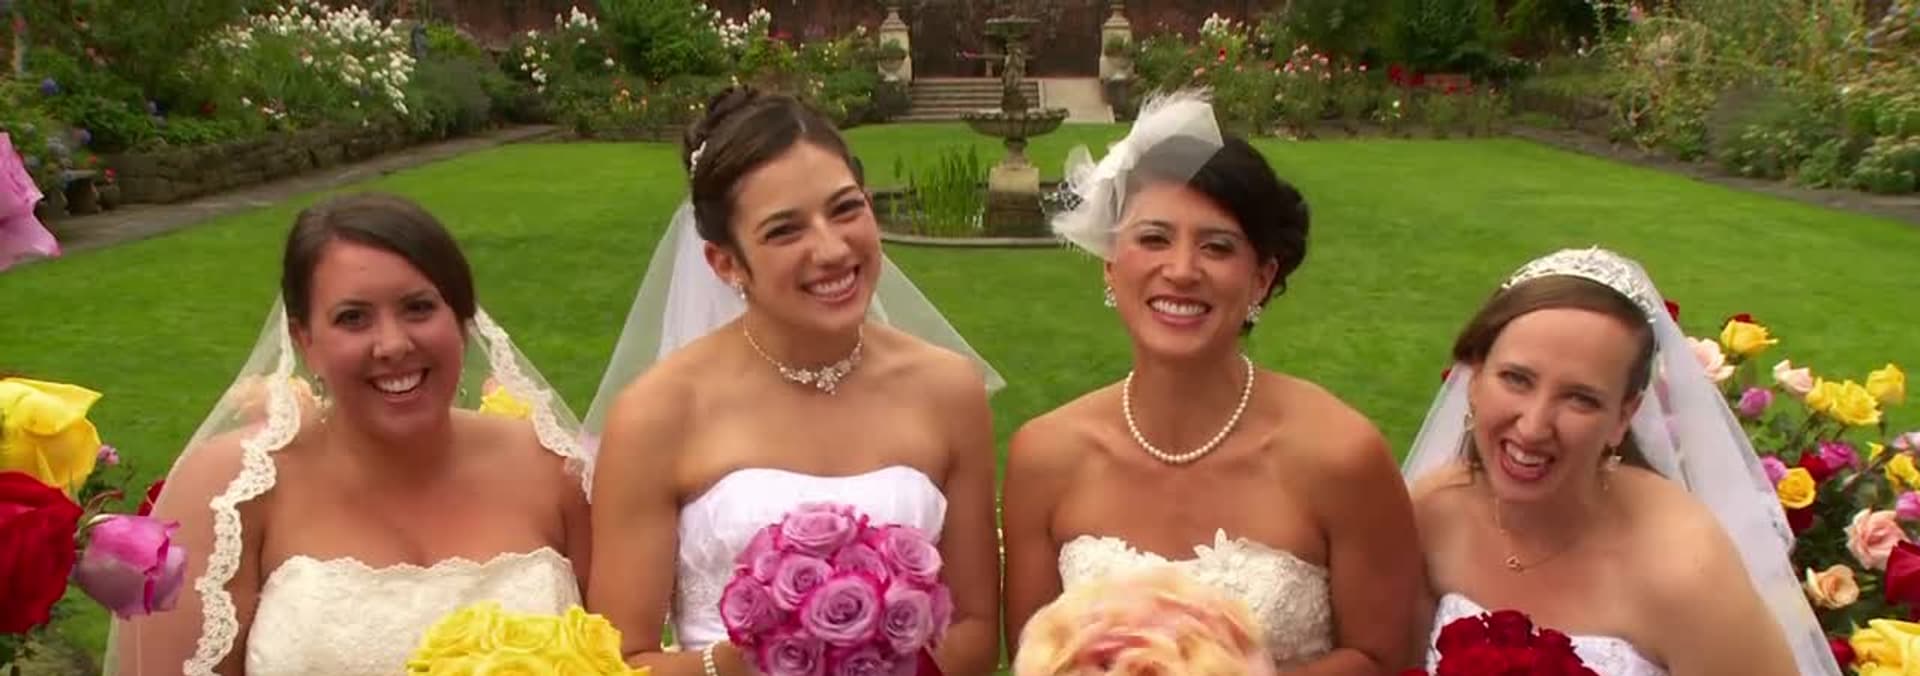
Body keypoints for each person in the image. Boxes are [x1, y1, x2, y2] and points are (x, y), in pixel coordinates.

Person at [583, 88, 1003, 676]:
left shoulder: (948, 389)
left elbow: (977, 631)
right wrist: (767, 654)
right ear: (725, 263)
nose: (831, 249)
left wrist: (878, 655)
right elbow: (618, 662)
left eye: (846, 209)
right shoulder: (658, 413)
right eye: (784, 231)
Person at [1000, 89, 1423, 673]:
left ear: (1261, 278)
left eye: (1217, 247)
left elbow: (1383, 660)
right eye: (1153, 238)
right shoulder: (1045, 456)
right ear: (1111, 265)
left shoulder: (1341, 456)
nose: (1181, 270)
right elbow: (1035, 659)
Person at [105, 192, 593, 675]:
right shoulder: (224, 490)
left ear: (462, 321)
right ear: (305, 341)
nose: (393, 344)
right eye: (353, 318)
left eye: (418, 308)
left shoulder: (558, 472)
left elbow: (619, 653)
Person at [1402, 246, 1838, 675]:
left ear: (1623, 417)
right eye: (1517, 378)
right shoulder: (1434, 512)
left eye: (1580, 398)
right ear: (1475, 378)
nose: (1533, 427)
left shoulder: (1685, 569)